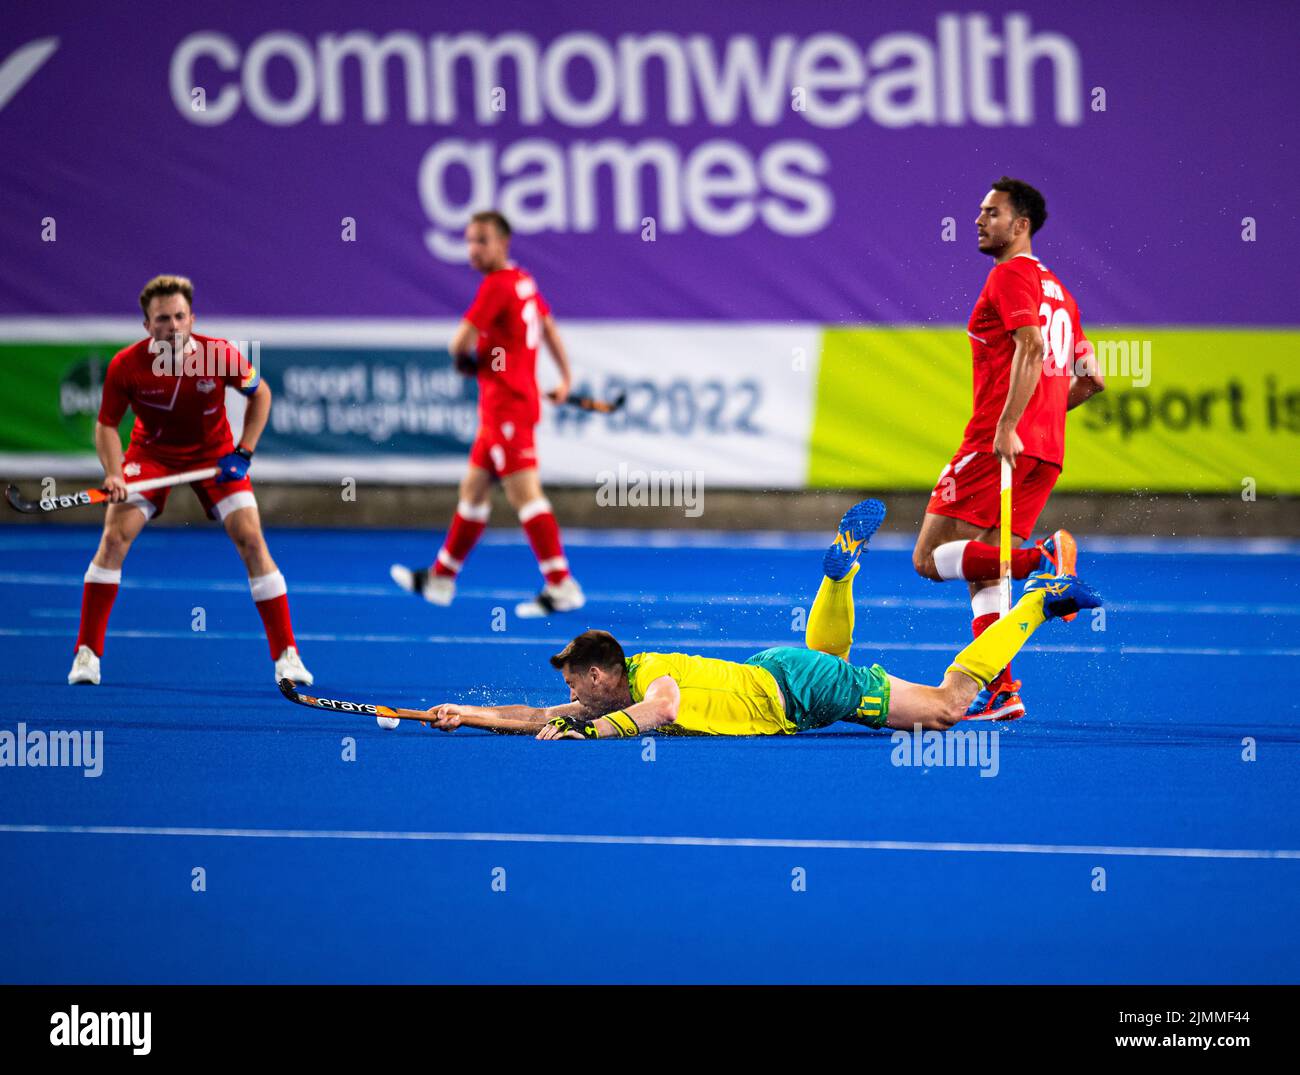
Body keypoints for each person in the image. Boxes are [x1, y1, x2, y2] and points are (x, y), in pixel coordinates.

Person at [419, 500, 1101, 740]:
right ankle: (840, 575)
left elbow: (659, 712)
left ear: (601, 673)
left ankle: (1038, 599)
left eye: (574, 681)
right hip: (783, 670)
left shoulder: (649, 681)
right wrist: (466, 713)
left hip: (795, 686)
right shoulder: (616, 684)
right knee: (828, 659)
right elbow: (537, 713)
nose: (570, 694)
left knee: (950, 707)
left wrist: (589, 733)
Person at [911, 177, 1105, 721]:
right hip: (1046, 450)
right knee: (984, 573)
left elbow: (1032, 345)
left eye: (991, 212)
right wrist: (1038, 418)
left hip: (998, 440)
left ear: (1020, 226)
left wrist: (1008, 424)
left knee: (927, 559)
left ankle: (1041, 558)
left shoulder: (1009, 276)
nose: (978, 220)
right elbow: (1091, 380)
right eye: (979, 211)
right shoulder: (1061, 291)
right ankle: (1002, 689)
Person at [67, 275, 312, 687]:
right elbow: (107, 425)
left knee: (251, 539)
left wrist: (244, 452)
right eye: (163, 319)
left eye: (181, 316)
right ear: (147, 325)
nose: (174, 326)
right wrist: (113, 472)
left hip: (215, 457)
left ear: (192, 317)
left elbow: (262, 394)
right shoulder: (126, 365)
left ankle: (287, 654)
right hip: (151, 457)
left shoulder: (220, 355)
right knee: (113, 538)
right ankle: (87, 653)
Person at [391, 210, 584, 618]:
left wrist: (469, 361)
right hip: (507, 406)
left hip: (507, 406)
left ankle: (560, 583)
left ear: (503, 243)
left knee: (525, 495)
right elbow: (548, 327)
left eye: (481, 240)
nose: (472, 250)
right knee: (474, 490)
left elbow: (456, 344)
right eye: (469, 241)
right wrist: (565, 377)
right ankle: (442, 578)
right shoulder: (523, 280)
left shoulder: (497, 286)